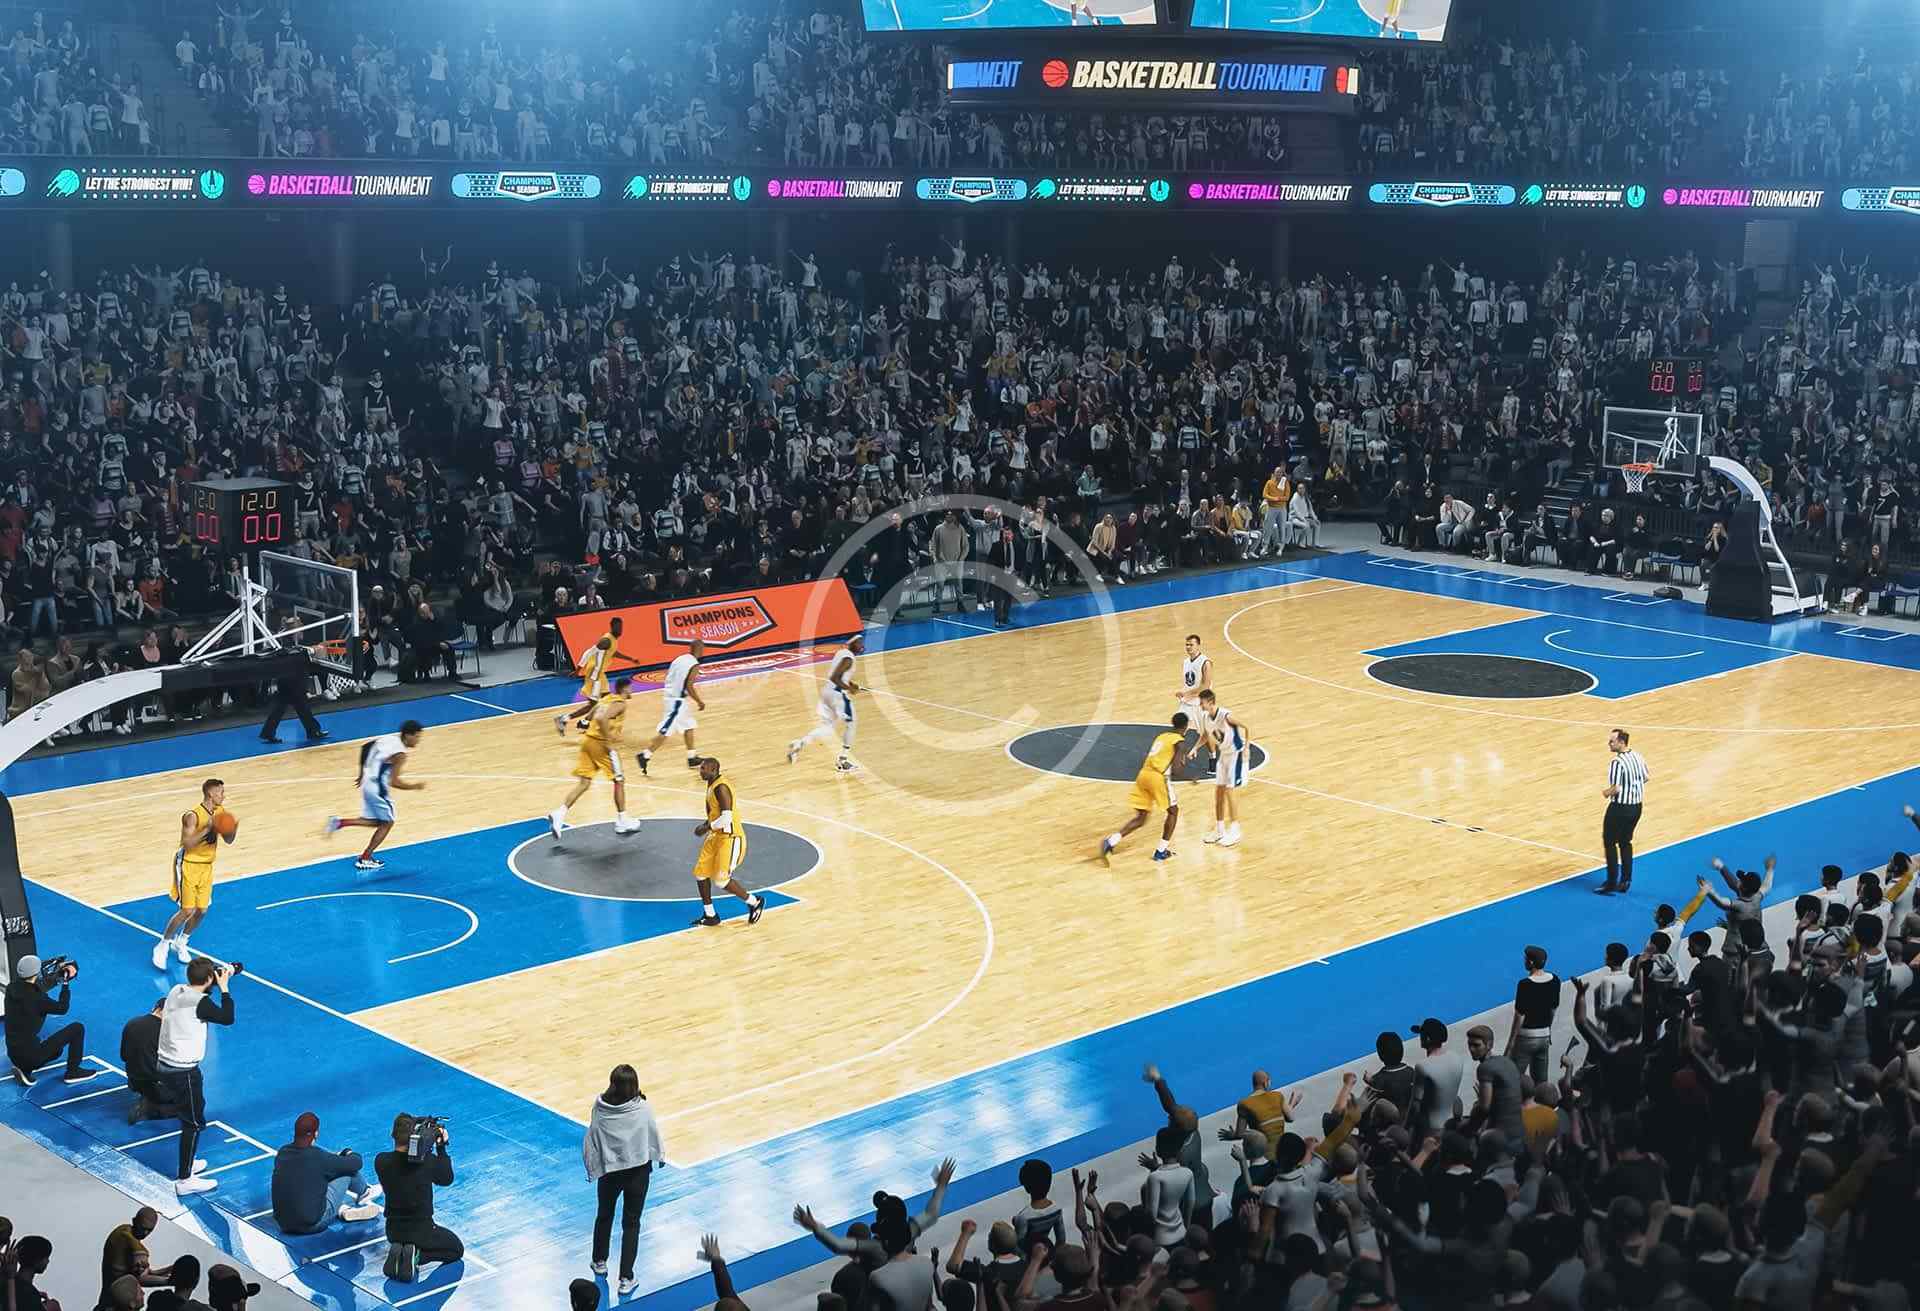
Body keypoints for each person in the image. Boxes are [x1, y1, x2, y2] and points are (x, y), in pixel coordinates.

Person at [583, 1064, 665, 1296]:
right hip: (637, 1173)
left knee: (604, 1215)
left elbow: (594, 1136)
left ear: (612, 1083)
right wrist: (659, 1155)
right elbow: (652, 1133)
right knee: (632, 1224)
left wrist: (596, 1164)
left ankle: (599, 1261)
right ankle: (626, 1278)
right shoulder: (643, 1108)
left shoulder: (600, 1108)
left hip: (610, 1172)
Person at [155, 958, 236, 1196]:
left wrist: (212, 982)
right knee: (193, 1123)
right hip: (184, 1072)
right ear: (210, 979)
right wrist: (225, 988)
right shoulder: (202, 1003)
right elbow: (227, 1017)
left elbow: (199, 997)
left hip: (164, 1064)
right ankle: (185, 1180)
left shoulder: (176, 990)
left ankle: (188, 1162)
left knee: (189, 1116)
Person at [153, 779, 234, 971]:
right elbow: (187, 844)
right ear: (211, 794)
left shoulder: (221, 813)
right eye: (221, 792)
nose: (224, 796)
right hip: (188, 864)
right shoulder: (192, 816)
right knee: (186, 911)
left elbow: (229, 840)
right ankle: (162, 945)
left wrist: (231, 828)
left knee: (202, 910)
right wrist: (208, 828)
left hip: (207, 866)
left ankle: (181, 941)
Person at [324, 721, 425, 872]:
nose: (418, 740)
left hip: (368, 784)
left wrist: (362, 773)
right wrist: (414, 786)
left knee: (379, 822)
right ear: (408, 735)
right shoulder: (400, 755)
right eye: (417, 737)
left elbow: (365, 747)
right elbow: (394, 782)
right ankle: (365, 858)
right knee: (388, 823)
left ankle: (339, 823)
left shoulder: (389, 739)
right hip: (378, 789)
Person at [376, 1114, 463, 1284]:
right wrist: (441, 1147)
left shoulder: (381, 1161)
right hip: (422, 1231)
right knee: (456, 1250)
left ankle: (401, 1251)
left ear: (393, 1135)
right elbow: (447, 1179)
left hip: (393, 1231)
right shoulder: (428, 1162)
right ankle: (417, 1255)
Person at [549, 677, 639, 839]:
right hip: (600, 745)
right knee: (619, 781)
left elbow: (590, 716)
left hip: (587, 742)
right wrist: (608, 740)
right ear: (625, 688)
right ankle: (622, 821)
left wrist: (582, 722)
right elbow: (601, 718)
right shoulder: (620, 704)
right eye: (630, 688)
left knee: (584, 783)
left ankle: (559, 813)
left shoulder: (606, 698)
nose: (632, 690)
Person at [1099, 713, 1193, 864]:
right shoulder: (1180, 742)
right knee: (1173, 812)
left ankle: (1111, 841)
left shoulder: (1162, 736)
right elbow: (1176, 770)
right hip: (1157, 777)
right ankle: (1161, 851)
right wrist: (1190, 777)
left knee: (1141, 817)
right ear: (1186, 726)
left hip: (1143, 775)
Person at [271, 1111, 383, 1234]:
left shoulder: (283, 1153)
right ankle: (365, 1192)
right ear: (316, 1133)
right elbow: (355, 1163)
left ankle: (342, 1210)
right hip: (313, 1225)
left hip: (284, 1224)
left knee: (309, 1182)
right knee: (347, 1172)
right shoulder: (317, 1157)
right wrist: (348, 1152)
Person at [688, 757, 767, 928]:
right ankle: (710, 915)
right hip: (715, 836)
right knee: (701, 874)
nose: (700, 771)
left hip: (730, 838)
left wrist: (706, 827)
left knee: (721, 881)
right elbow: (715, 813)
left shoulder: (721, 787)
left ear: (714, 770)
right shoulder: (711, 784)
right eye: (700, 768)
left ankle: (754, 902)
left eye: (704, 768)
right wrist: (708, 825)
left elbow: (726, 818)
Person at [4, 952, 96, 1086]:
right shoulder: (39, 999)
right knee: (77, 1028)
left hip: (13, 1054)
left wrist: (57, 978)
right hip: (30, 1056)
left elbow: (35, 988)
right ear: (35, 974)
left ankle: (25, 1069)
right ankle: (73, 1072)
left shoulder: (11, 988)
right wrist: (65, 983)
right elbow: (62, 1008)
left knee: (57, 1051)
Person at [786, 635, 864, 773]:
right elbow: (835, 677)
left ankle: (800, 743)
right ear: (851, 643)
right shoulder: (848, 659)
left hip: (827, 693)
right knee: (852, 724)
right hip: (837, 695)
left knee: (827, 728)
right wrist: (849, 688)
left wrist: (851, 684)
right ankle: (843, 761)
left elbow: (839, 675)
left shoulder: (842, 653)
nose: (861, 645)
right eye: (858, 642)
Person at [555, 618, 638, 736]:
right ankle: (568, 720)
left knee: (606, 700)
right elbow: (588, 652)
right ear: (612, 627)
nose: (620, 629)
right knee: (596, 703)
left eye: (621, 627)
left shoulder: (613, 641)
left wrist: (630, 659)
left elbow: (613, 652)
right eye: (618, 627)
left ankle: (583, 722)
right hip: (594, 674)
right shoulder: (606, 640)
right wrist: (578, 670)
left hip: (600, 674)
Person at [638, 638, 705, 774]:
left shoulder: (680, 659)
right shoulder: (694, 664)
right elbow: (689, 686)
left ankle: (691, 757)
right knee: (666, 731)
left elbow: (669, 676)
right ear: (700, 649)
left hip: (672, 697)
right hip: (676, 702)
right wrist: (699, 701)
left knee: (689, 725)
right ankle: (645, 755)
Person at [1596, 727, 1649, 895]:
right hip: (1636, 807)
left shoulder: (1617, 762)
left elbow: (1616, 788)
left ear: (1621, 742)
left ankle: (1611, 882)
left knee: (1609, 842)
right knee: (1625, 842)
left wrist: (1606, 793)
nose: (1609, 744)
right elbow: (1646, 777)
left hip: (1620, 809)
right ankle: (1626, 880)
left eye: (1612, 741)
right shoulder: (1638, 756)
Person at [1196, 689, 1250, 848]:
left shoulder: (1226, 716)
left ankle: (1235, 830)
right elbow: (1205, 736)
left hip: (1235, 755)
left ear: (1210, 702)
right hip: (1223, 756)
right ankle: (1220, 830)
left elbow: (1247, 727)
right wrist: (1195, 748)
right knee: (1218, 792)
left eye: (1202, 703)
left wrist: (1247, 747)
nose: (1200, 705)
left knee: (1229, 790)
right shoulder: (1206, 717)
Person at [120, 998, 181, 1124]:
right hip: (157, 1086)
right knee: (188, 1103)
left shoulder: (132, 1023)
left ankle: (148, 1099)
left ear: (156, 1007)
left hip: (134, 1081)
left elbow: (124, 1056)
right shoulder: (168, 1033)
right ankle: (151, 1109)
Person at [98, 1208, 173, 1306]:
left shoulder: (122, 1230)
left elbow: (143, 1273)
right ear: (134, 1221)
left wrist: (169, 1269)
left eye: (149, 1230)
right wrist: (170, 1281)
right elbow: (141, 1279)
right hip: (117, 1304)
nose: (145, 1233)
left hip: (107, 1300)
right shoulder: (134, 1246)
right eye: (143, 1228)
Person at [258, 647, 329, 744]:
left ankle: (268, 732)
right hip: (293, 683)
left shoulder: (288, 651)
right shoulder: (296, 653)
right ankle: (313, 731)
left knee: (282, 709)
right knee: (301, 708)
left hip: (287, 681)